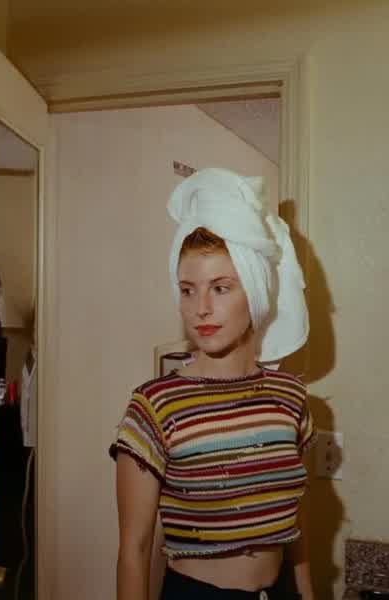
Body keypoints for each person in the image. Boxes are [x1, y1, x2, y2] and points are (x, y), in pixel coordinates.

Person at [110, 168, 315, 600]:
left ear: (254, 291)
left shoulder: (290, 398)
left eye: (220, 288)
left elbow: (296, 527)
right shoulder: (155, 406)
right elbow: (133, 551)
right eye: (187, 290)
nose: (200, 308)